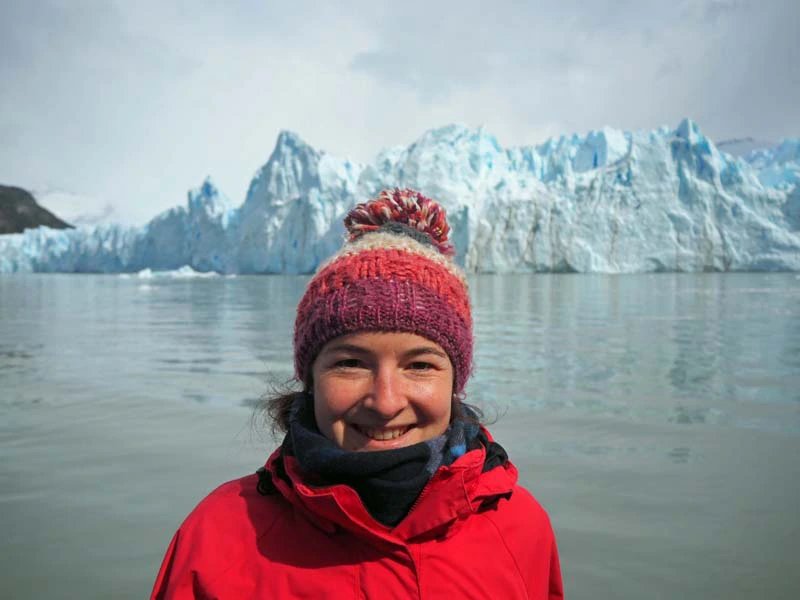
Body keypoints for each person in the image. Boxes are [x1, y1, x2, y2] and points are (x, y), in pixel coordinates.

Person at [151, 188, 564, 599]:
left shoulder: (521, 529)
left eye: (420, 365)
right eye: (350, 363)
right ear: (310, 379)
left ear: (455, 382)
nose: (385, 402)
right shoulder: (219, 538)